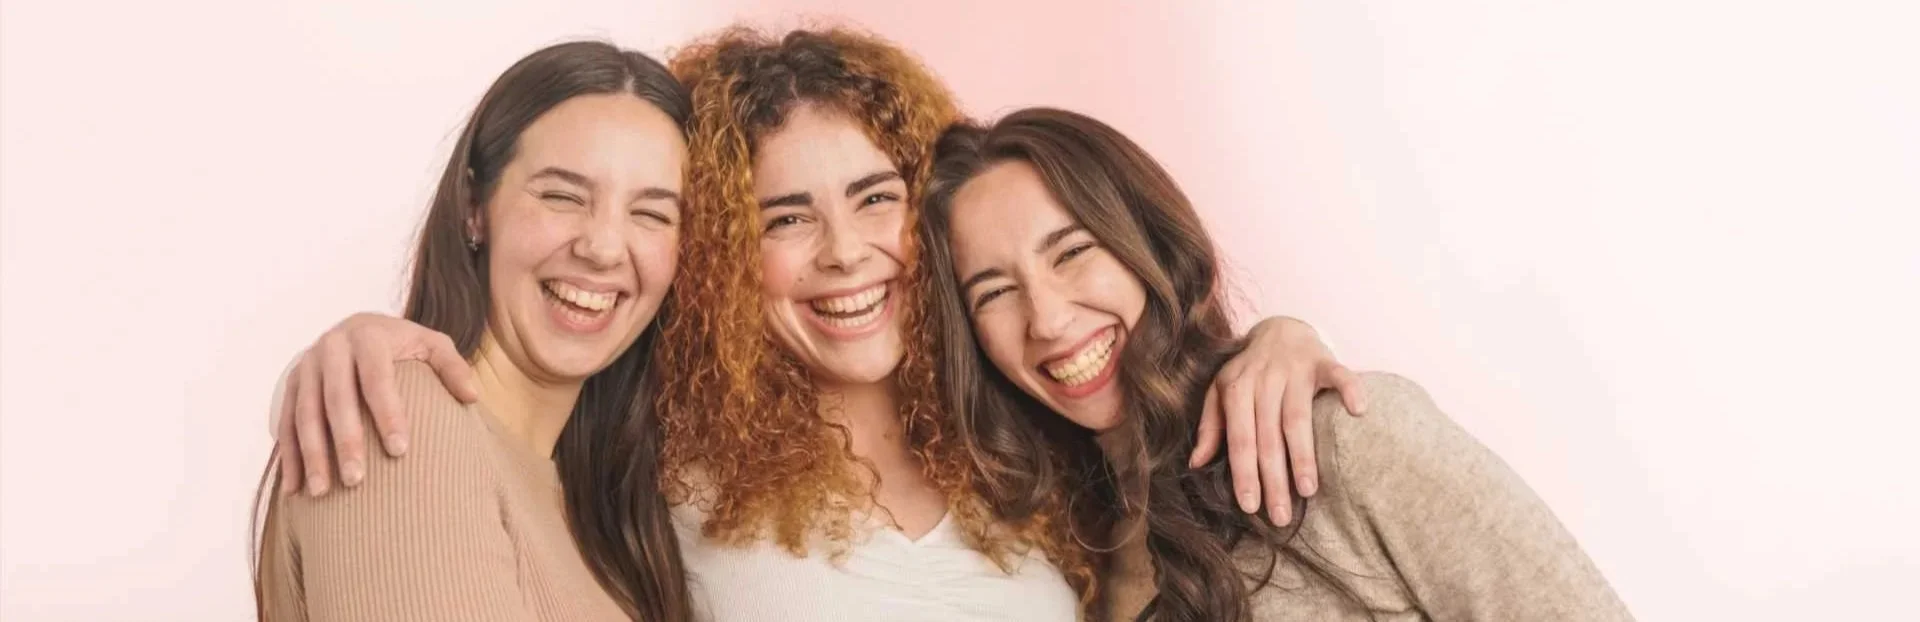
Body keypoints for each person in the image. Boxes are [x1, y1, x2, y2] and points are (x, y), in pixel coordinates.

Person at [266, 27, 1363, 620]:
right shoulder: (653, 452)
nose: (845, 253)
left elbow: (1159, 443)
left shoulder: (1026, 434)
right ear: (725, 251)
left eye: (876, 197)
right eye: (786, 216)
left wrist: (1270, 341)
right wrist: (368, 342)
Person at [921, 107, 1635, 621]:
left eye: (1071, 252)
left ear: (1147, 246)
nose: (1045, 319)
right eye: (995, 292)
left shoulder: (1347, 438)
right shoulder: (1067, 557)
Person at [254, 41, 695, 621]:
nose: (604, 247)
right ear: (474, 207)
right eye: (562, 196)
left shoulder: (605, 509)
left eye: (653, 214)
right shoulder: (400, 416)